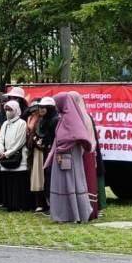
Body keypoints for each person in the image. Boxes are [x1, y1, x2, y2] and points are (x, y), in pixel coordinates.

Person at [46, 93, 95, 224]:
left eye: (57, 104)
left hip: (69, 156)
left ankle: (73, 214)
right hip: (65, 156)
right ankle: (67, 214)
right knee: (67, 184)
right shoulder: (65, 117)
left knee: (70, 184)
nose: (56, 107)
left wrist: (61, 148)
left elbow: (74, 136)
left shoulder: (70, 119)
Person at [69, 92, 102, 220]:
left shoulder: (81, 117)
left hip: (84, 153)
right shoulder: (83, 115)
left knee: (85, 181)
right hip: (87, 152)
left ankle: (87, 211)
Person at [0, 100, 31, 211]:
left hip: (18, 157)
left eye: (10, 109)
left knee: (18, 182)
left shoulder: (22, 123)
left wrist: (7, 153)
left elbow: (20, 141)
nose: (8, 112)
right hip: (5, 157)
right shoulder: (5, 124)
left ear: (16, 110)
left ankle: (19, 204)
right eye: (6, 109)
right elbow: (0, 138)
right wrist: (0, 150)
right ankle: (9, 204)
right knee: (8, 181)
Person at [31, 97, 58, 213]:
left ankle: (54, 205)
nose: (41, 109)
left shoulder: (55, 120)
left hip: (53, 152)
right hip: (43, 152)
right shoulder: (41, 120)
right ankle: (48, 204)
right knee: (46, 178)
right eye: (40, 107)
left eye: (44, 107)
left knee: (52, 178)